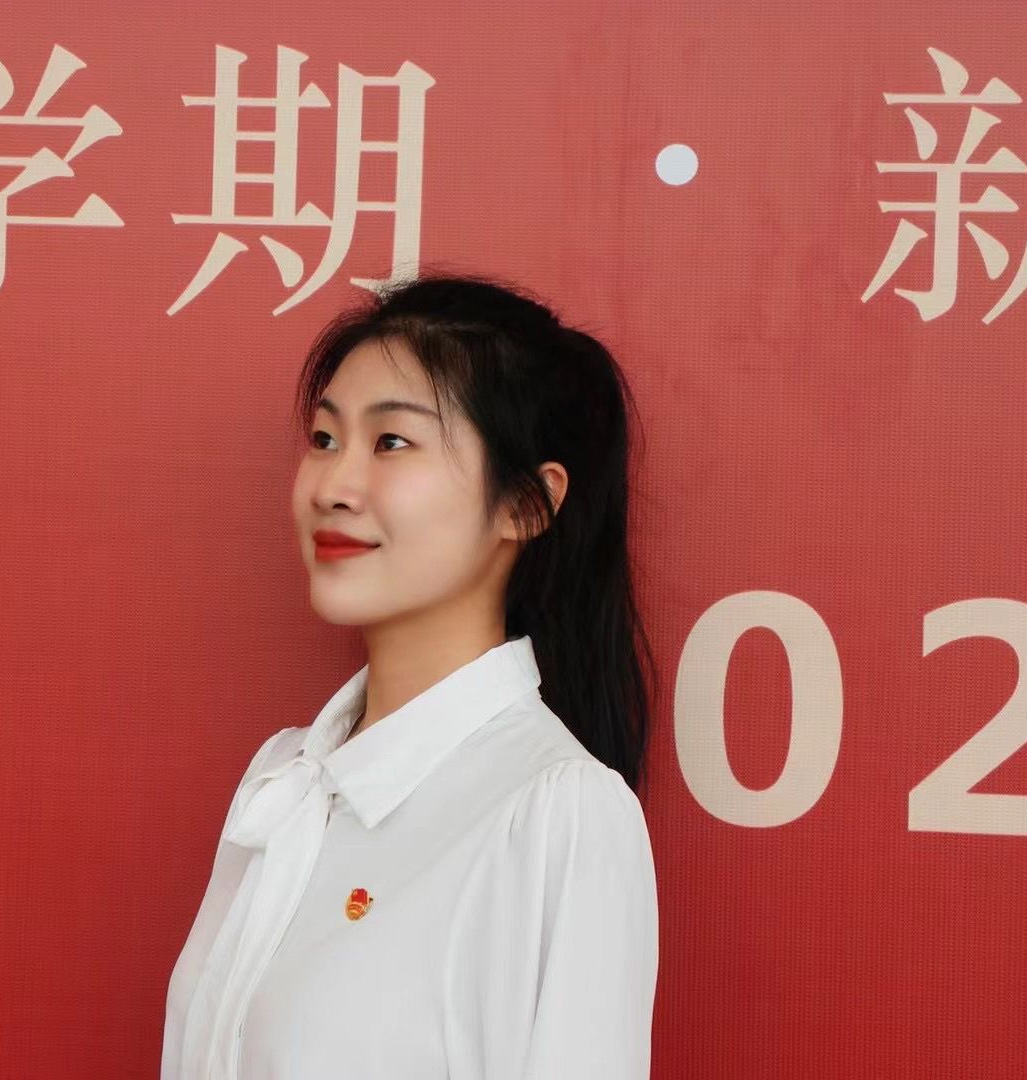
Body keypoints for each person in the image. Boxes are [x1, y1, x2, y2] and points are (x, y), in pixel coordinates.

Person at [162, 271, 660, 1079]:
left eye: (391, 442)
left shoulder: (554, 813)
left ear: (527, 504)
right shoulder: (284, 778)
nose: (333, 486)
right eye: (325, 439)